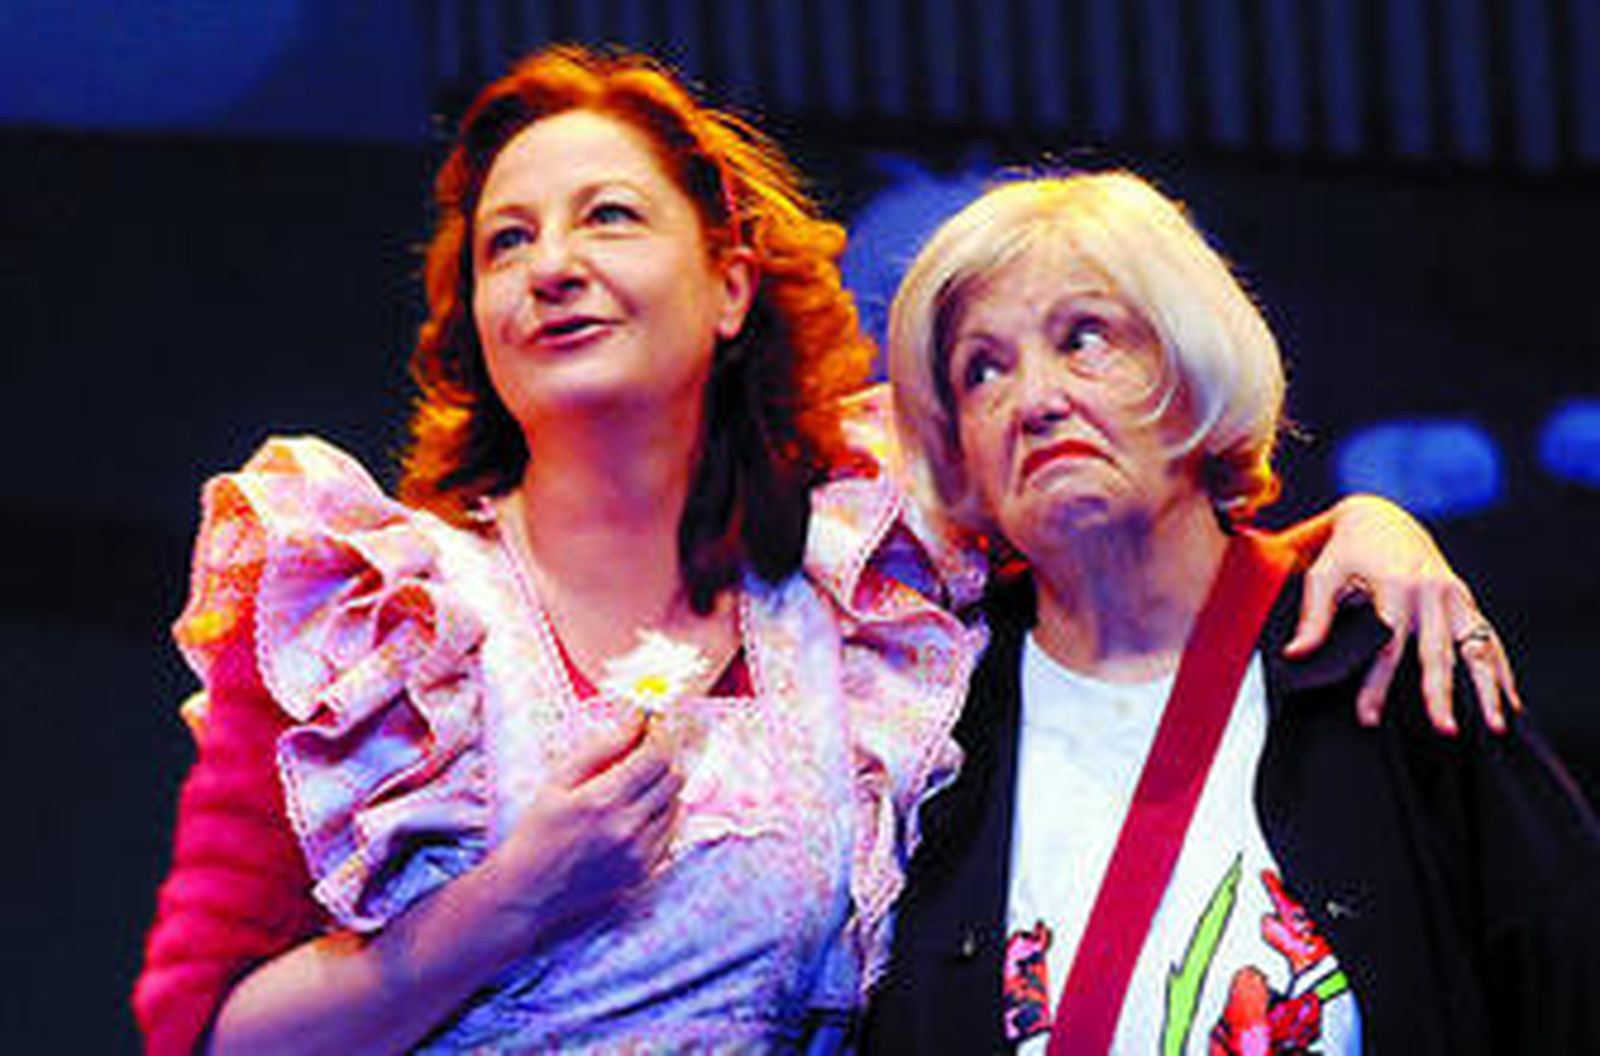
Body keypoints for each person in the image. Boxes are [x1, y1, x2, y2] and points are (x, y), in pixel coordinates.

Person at [133, 47, 1514, 1053]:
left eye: (607, 217)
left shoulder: (866, 586)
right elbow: (204, 1031)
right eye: (505, 241)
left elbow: (1135, 567)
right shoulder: (368, 616)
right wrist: (502, 909)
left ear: (732, 284)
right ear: (477, 321)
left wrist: (1359, 529)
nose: (550, 263)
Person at [863, 171, 1599, 1053]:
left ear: (1190, 368)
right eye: (982, 369)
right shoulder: (927, 723)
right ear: (958, 451)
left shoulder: (1384, 662)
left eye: (1084, 338)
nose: (1036, 399)